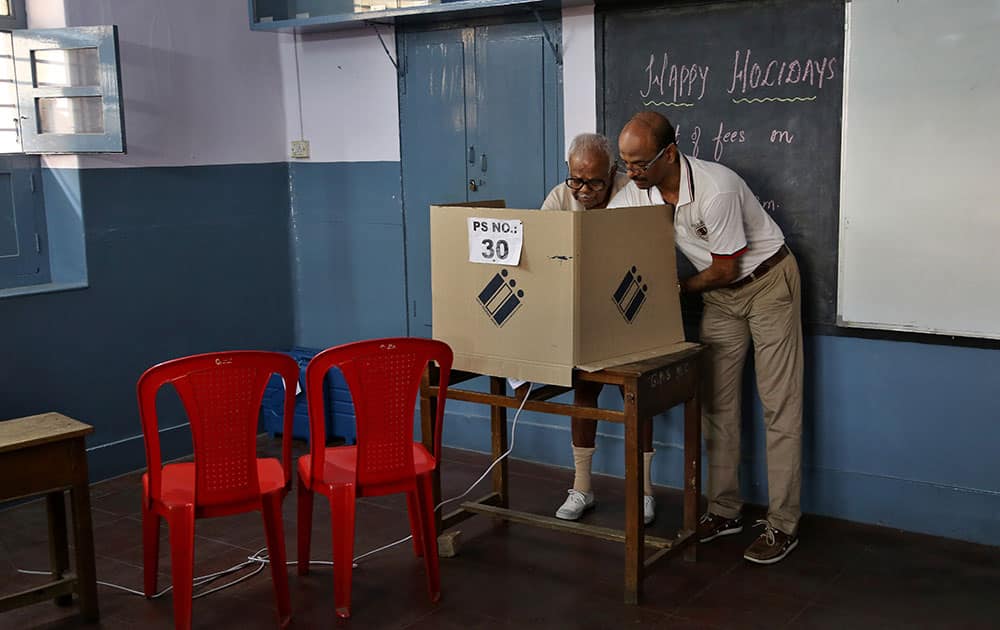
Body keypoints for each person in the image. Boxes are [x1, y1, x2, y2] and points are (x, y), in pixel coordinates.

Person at [609, 111, 803, 565]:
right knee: (716, 404)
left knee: (780, 406)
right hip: (721, 299)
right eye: (625, 164)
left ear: (669, 154)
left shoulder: (716, 189)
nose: (631, 173)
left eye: (638, 164)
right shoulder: (639, 189)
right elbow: (605, 232)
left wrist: (671, 289)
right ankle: (725, 510)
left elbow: (725, 268)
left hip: (767, 284)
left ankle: (783, 525)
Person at [542, 133, 656, 526]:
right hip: (584, 311)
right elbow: (541, 253)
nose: (583, 191)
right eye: (576, 179)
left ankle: (643, 490)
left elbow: (653, 250)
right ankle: (582, 486)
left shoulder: (636, 194)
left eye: (593, 182)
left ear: (613, 172)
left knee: (636, 397)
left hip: (631, 309)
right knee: (584, 391)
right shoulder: (560, 196)